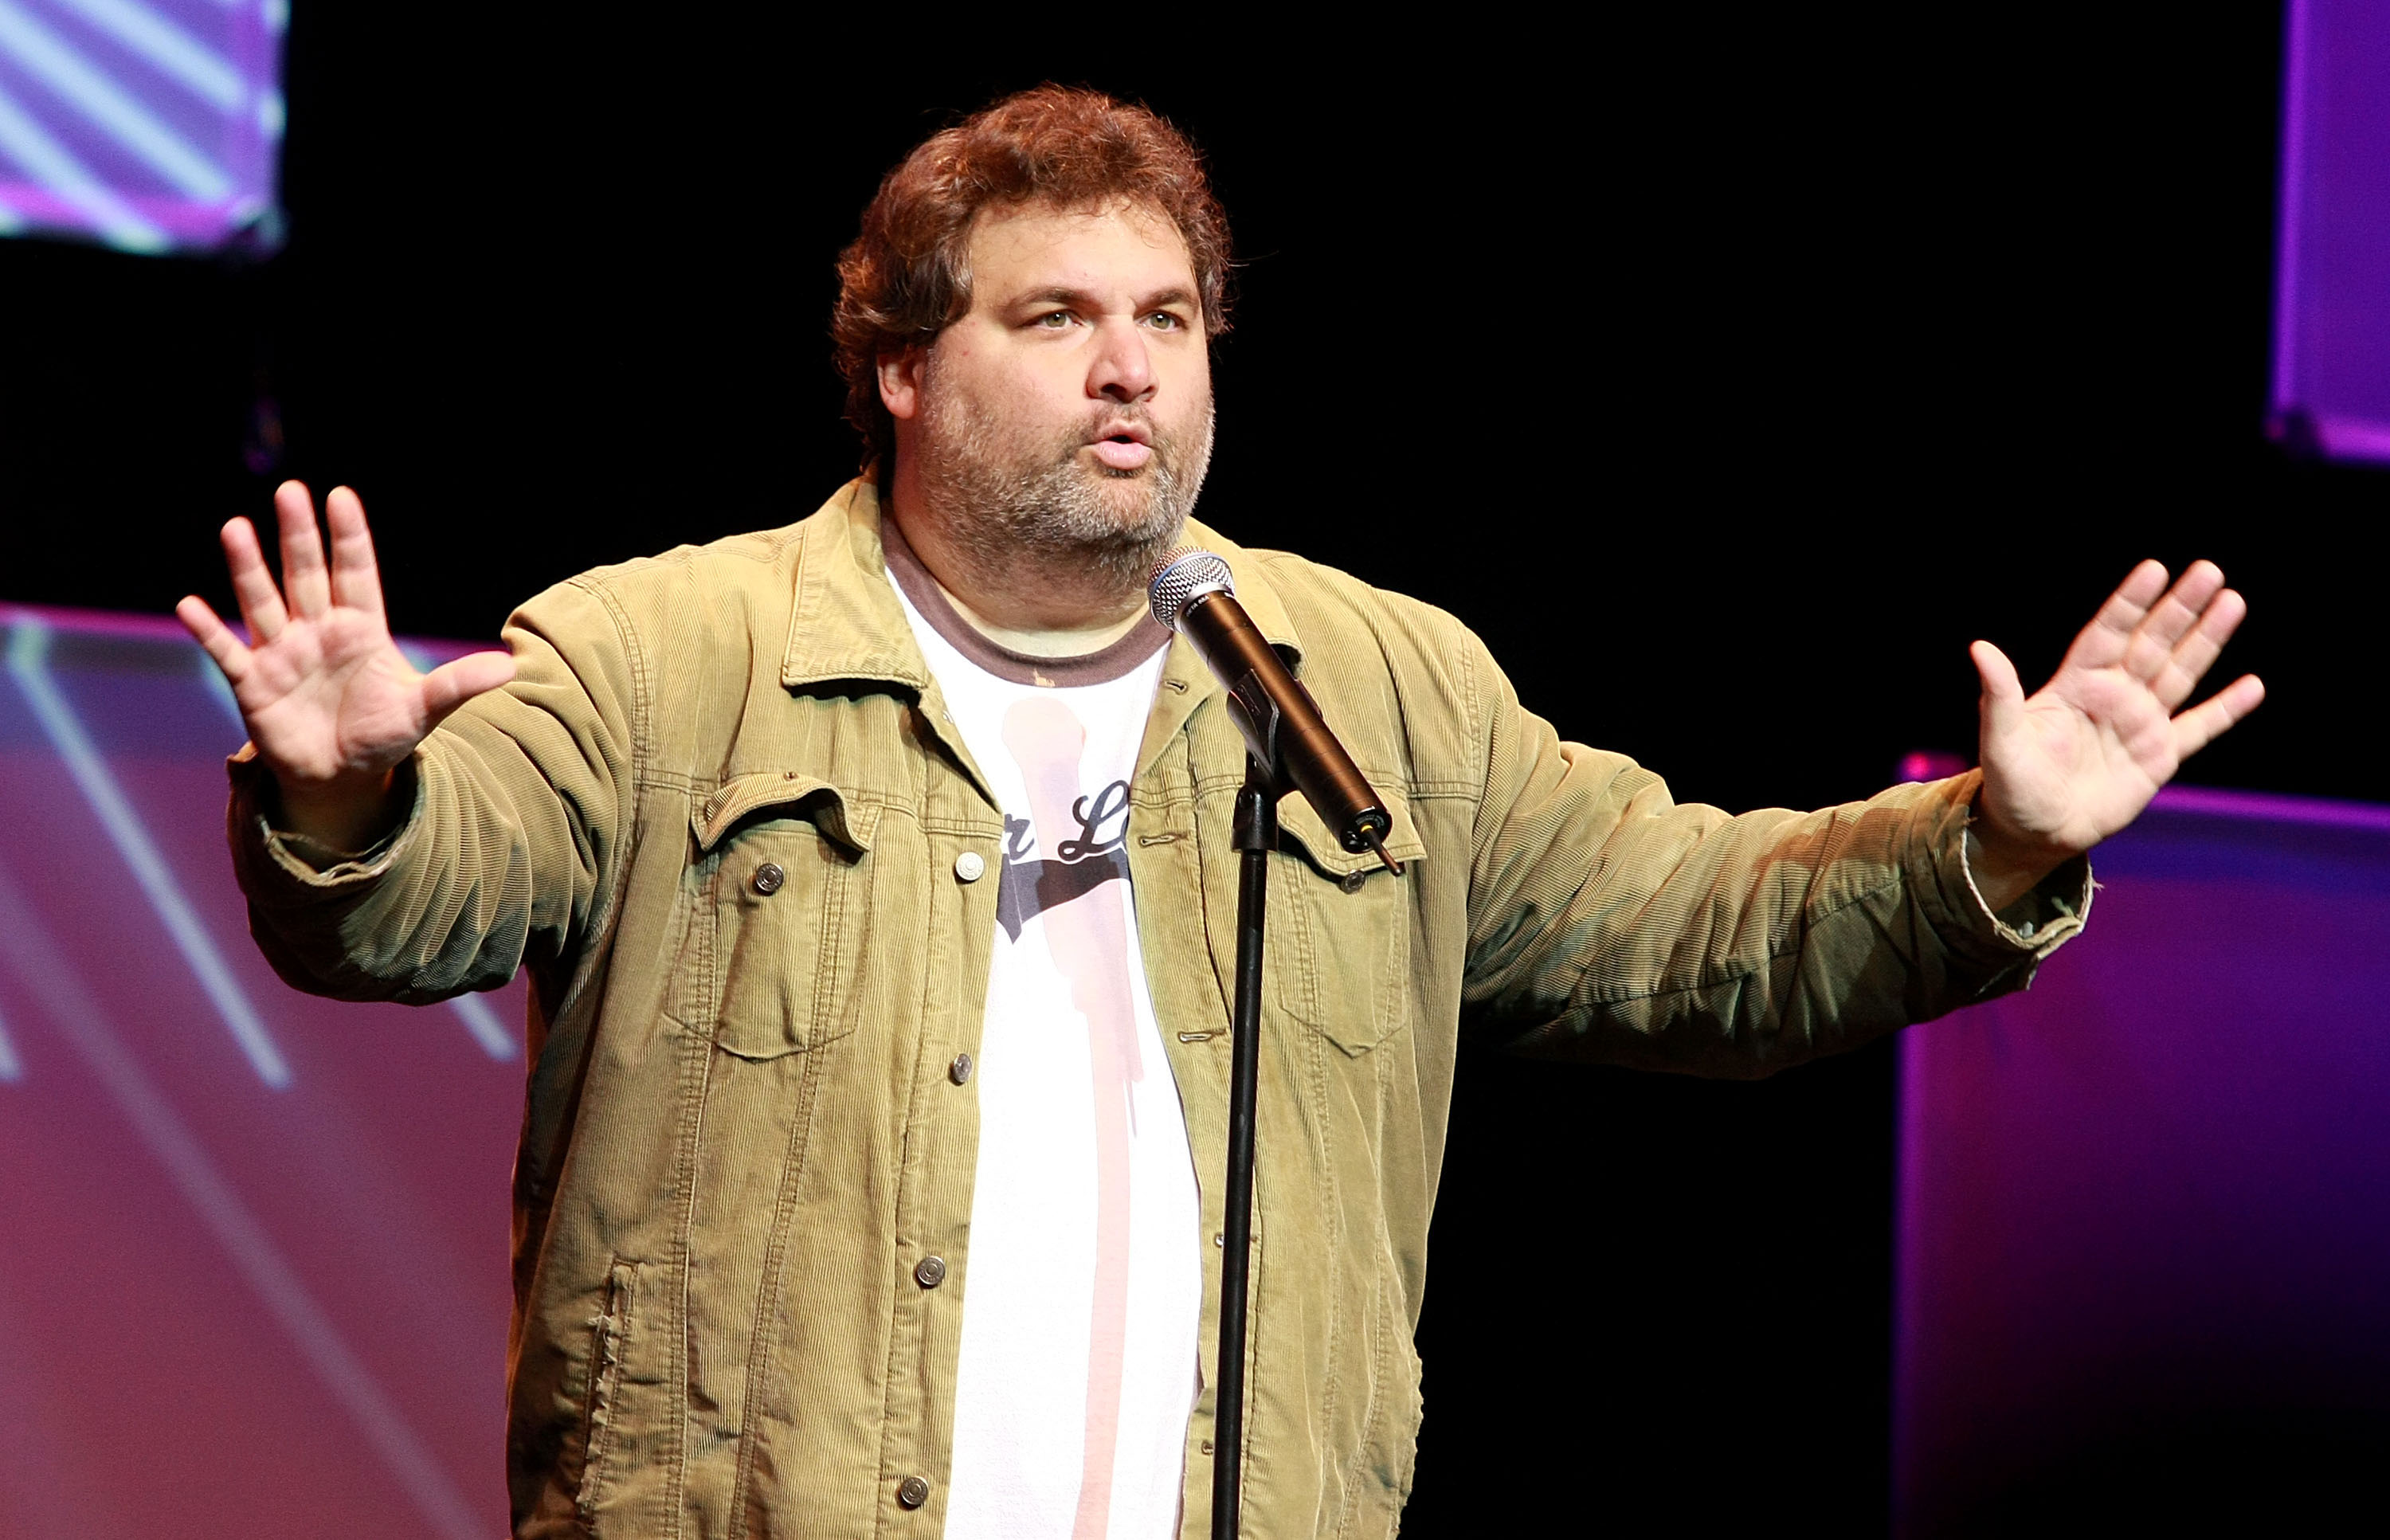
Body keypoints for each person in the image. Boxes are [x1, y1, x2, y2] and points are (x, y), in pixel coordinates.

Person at [178, 87, 2262, 1539]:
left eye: (1167, 321)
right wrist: (356, 790)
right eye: (1056, 317)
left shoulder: (1368, 688)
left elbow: (1697, 929)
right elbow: (417, 901)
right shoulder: (669, 658)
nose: (1131, 376)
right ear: (900, 364)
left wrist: (1995, 846)